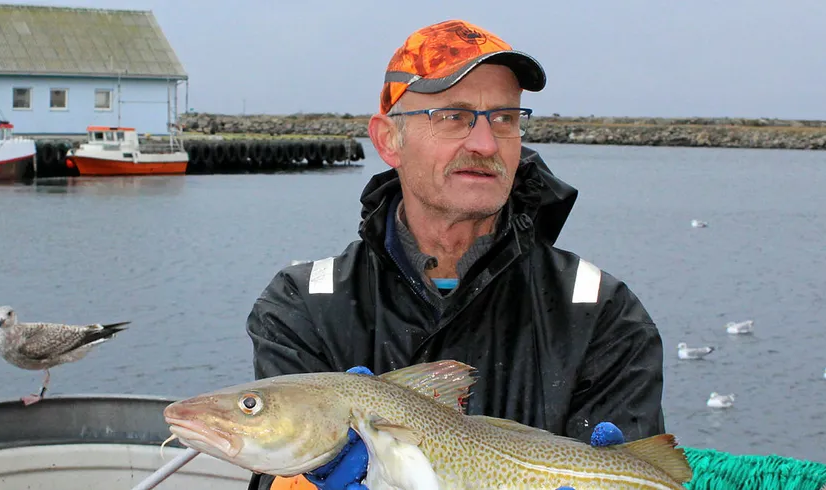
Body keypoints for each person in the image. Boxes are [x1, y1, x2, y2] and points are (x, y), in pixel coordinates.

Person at [245, 19, 666, 490]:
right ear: (388, 140)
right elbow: (274, 463)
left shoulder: (601, 311)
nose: (486, 144)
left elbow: (647, 467)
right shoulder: (304, 305)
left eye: (504, 118)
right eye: (452, 116)